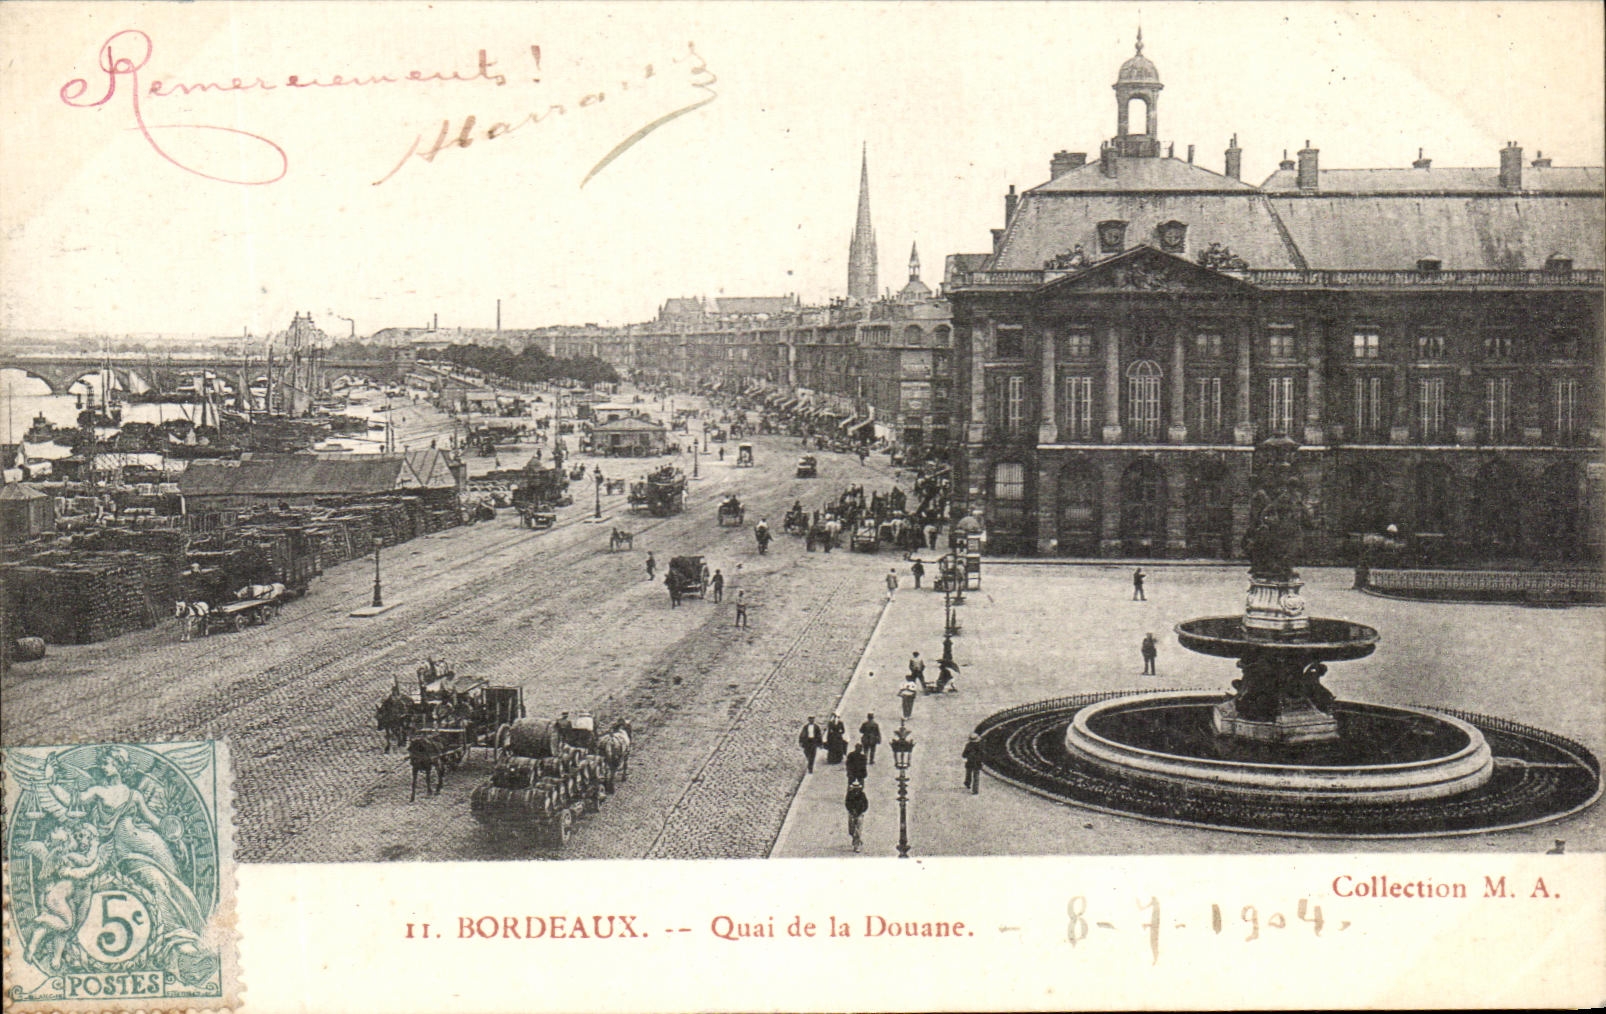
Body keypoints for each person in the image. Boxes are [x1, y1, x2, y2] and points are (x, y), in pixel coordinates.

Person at [844, 780, 869, 852]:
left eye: (857, 787)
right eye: (855, 787)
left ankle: (856, 845)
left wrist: (861, 811)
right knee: (851, 830)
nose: (856, 789)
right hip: (851, 813)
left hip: (859, 814)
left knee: (858, 829)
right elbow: (847, 803)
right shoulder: (849, 794)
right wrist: (851, 810)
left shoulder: (862, 795)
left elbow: (866, 804)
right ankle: (855, 839)